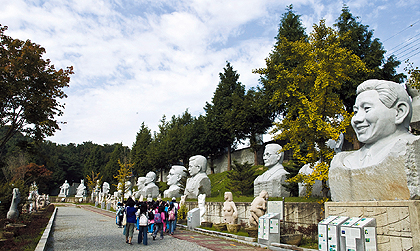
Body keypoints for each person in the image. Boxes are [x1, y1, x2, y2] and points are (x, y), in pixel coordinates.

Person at [329, 79, 420, 201]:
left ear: (399, 112)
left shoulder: (412, 147)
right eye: (356, 111)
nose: (356, 119)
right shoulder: (343, 161)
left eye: (367, 109)